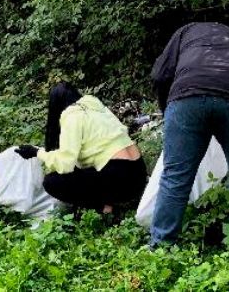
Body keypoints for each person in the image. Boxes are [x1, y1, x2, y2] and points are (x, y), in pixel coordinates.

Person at [148, 21, 229, 247]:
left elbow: (160, 76)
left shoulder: (185, 32)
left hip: (187, 100)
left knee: (175, 175)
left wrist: (168, 109)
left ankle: (161, 245)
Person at [15, 82, 147, 216]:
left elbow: (65, 164)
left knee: (52, 182)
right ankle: (117, 200)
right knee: (82, 170)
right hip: (139, 173)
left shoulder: (72, 117)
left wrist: (37, 153)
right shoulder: (96, 107)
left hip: (120, 179)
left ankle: (106, 208)